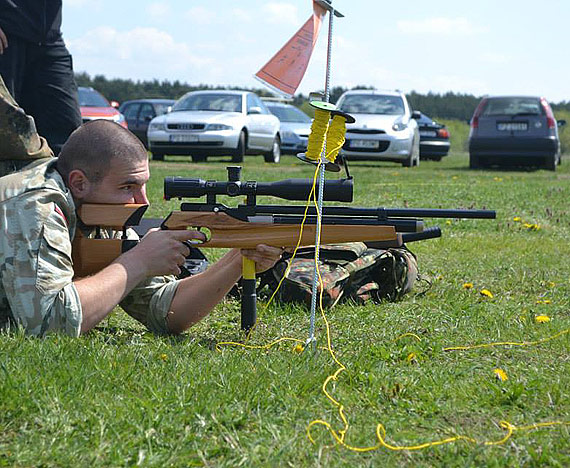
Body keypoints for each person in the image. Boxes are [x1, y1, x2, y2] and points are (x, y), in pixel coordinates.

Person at [0, 88, 283, 337]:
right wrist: (137, 261)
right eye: (128, 186)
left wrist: (237, 260)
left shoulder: (102, 214)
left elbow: (165, 312)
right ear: (79, 183)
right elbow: (50, 324)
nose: (142, 201)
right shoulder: (36, 204)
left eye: (143, 185)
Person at [0, 0, 82, 155]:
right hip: (6, 35)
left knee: (68, 140)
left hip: (48, 38)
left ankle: (60, 178)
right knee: (6, 130)